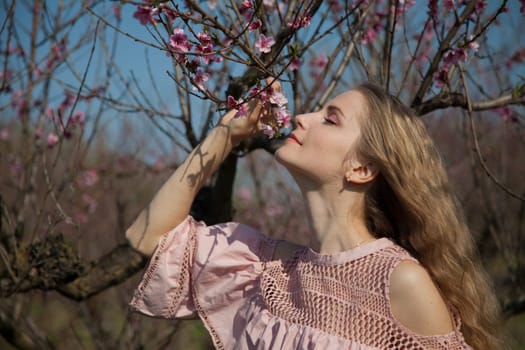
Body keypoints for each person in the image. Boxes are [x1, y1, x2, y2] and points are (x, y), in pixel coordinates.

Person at [126, 81, 503, 349]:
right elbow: (148, 237)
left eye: (330, 118)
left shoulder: (400, 283)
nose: (303, 117)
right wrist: (225, 134)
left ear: (361, 168)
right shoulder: (264, 268)